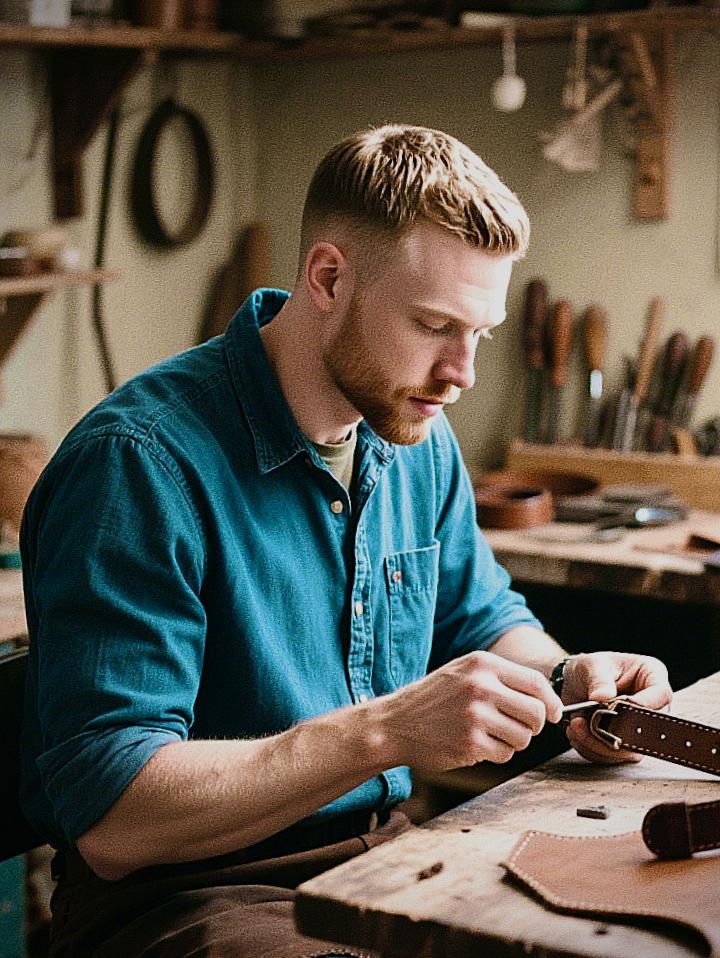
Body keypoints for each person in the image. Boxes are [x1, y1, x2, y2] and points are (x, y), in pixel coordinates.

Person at [20, 124, 672, 958]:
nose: (463, 373)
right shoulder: (137, 466)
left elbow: (476, 618)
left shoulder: (413, 438)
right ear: (328, 276)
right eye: (435, 325)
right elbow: (114, 819)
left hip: (384, 855)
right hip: (184, 899)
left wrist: (567, 676)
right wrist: (389, 731)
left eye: (483, 333)